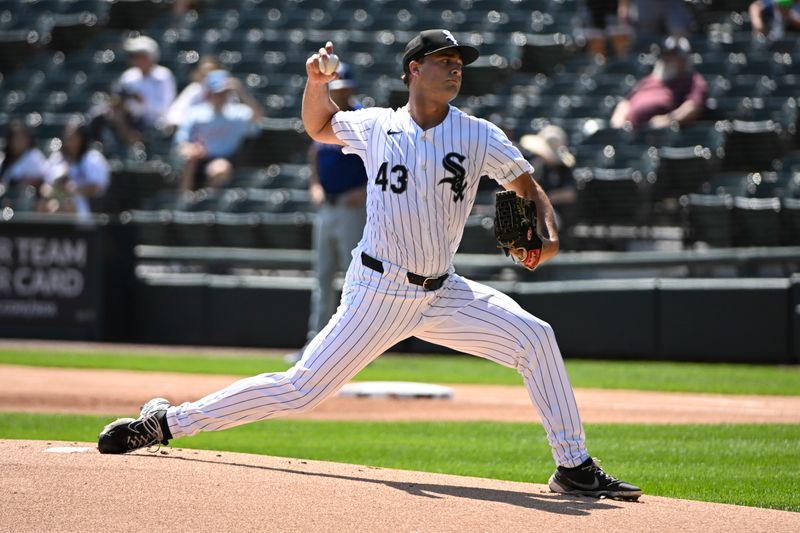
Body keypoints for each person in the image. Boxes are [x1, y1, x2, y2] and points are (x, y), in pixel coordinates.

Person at [97, 29, 642, 501]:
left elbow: (526, 185)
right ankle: (166, 423)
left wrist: (548, 236)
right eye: (445, 63)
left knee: (536, 338)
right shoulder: (377, 124)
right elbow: (318, 127)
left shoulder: (478, 134)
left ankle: (573, 469)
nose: (455, 71)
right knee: (300, 389)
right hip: (378, 292)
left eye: (460, 66)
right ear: (414, 69)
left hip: (443, 292)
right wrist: (317, 83)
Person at [285, 63, 368, 364]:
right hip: (328, 207)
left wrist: (365, 191)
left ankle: (356, 348)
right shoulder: (327, 119)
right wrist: (315, 185)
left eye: (342, 87)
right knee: (322, 277)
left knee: (355, 279)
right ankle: (315, 346)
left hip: (354, 208)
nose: (339, 92)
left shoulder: (363, 119)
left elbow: (383, 164)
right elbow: (314, 154)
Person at [173, 70, 264, 191]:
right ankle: (184, 202)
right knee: (190, 158)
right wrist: (191, 149)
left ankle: (205, 201)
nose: (220, 96)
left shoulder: (238, 113)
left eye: (224, 92)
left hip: (226, 159)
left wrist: (242, 92)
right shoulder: (195, 113)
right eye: (216, 93)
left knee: (219, 168)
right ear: (209, 93)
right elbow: (181, 141)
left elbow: (258, 118)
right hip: (198, 159)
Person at [610, 36, 707, 130]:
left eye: (673, 55)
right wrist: (619, 121)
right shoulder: (648, 80)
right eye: (665, 55)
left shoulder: (693, 80)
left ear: (684, 59)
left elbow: (693, 107)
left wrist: (668, 119)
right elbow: (625, 103)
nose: (667, 59)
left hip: (657, 136)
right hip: (629, 133)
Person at [111, 36, 176, 145]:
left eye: (140, 56)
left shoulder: (164, 76)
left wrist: (142, 101)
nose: (136, 60)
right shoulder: (128, 76)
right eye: (133, 56)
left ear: (151, 56)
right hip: (130, 121)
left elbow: (165, 106)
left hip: (156, 123)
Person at [40, 121, 110, 216]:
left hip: (85, 207)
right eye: (67, 136)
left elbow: (96, 188)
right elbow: (46, 186)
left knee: (66, 205)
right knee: (43, 205)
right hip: (56, 201)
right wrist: (53, 192)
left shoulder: (92, 158)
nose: (69, 139)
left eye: (73, 136)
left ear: (82, 138)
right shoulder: (57, 158)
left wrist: (72, 190)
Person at [518, 125, 577, 229]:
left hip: (556, 211)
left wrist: (544, 198)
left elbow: (570, 194)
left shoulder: (564, 168)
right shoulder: (537, 165)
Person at [165, 55, 222, 131]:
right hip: (195, 132)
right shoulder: (194, 89)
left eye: (212, 74)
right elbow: (175, 113)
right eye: (204, 74)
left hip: (220, 130)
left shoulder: (225, 90)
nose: (208, 77)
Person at [0, 121, 49, 210]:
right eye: (16, 138)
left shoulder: (34, 156)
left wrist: (23, 183)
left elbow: (43, 179)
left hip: (30, 201)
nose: (19, 142)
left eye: (22, 138)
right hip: (7, 201)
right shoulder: (4, 159)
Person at [618, 0, 692, 38]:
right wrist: (624, 5)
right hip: (646, 4)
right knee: (645, 44)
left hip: (671, 3)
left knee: (680, 40)